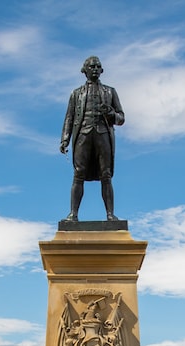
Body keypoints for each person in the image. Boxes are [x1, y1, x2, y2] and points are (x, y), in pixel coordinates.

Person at [60, 55, 125, 222]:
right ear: (85, 71)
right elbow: (69, 117)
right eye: (92, 67)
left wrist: (110, 113)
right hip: (83, 134)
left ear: (101, 70)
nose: (95, 69)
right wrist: (65, 139)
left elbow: (121, 118)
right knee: (78, 174)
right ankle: (73, 214)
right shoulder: (76, 94)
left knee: (106, 175)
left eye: (98, 67)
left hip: (103, 134)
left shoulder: (110, 91)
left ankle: (110, 215)